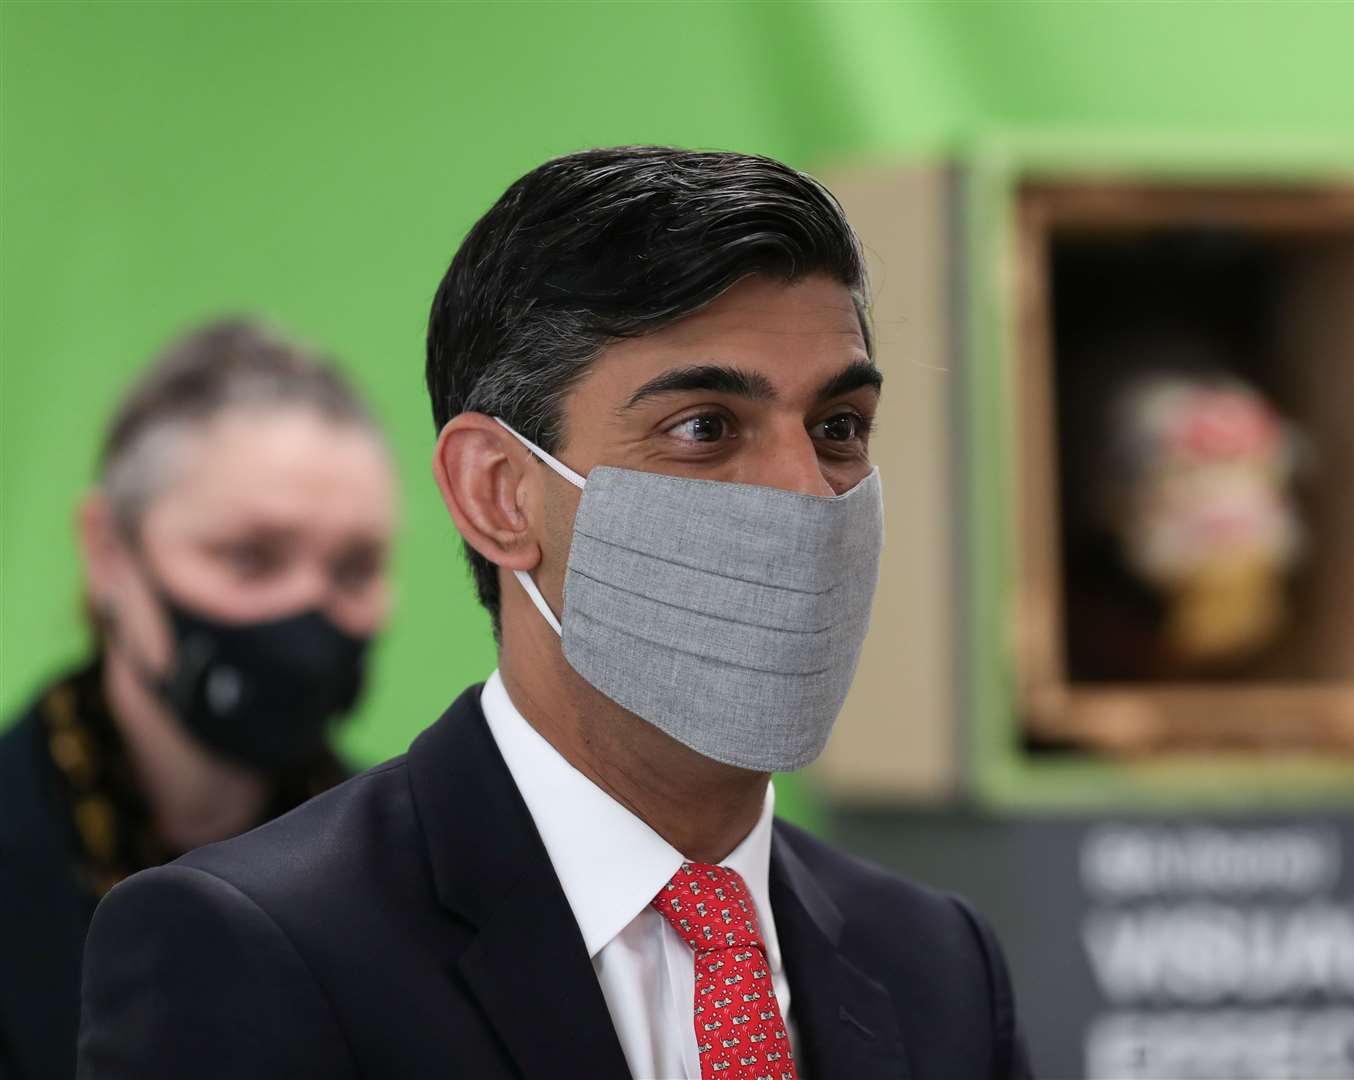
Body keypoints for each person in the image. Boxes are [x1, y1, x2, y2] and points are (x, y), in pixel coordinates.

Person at [78, 147, 1029, 1080]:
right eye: (703, 427)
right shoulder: (254, 948)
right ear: (499, 493)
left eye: (838, 428)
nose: (807, 493)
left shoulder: (937, 965)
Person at [0, 318, 398, 1079]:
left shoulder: (416, 874)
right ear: (108, 553)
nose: (308, 613)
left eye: (354, 568)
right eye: (250, 557)